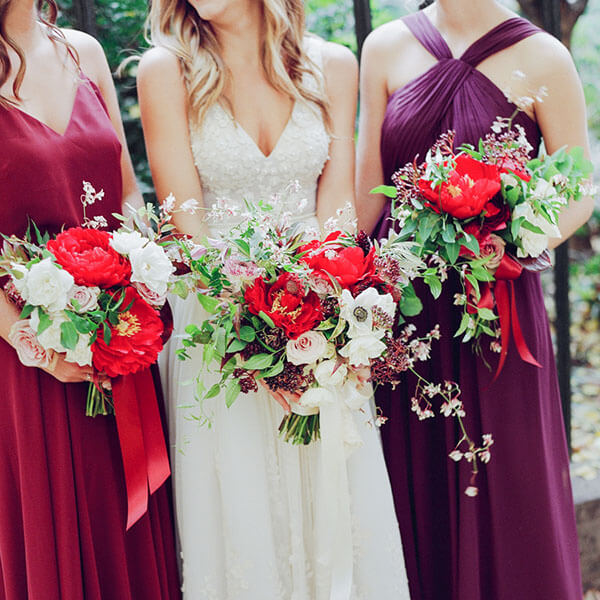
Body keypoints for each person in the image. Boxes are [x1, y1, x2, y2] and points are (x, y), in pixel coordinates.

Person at [137, 0, 410, 597]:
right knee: (240, 513)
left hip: (319, 318)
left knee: (336, 503)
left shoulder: (332, 65)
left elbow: (337, 215)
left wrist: (328, 328)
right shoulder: (167, 69)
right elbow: (186, 226)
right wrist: (262, 333)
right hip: (218, 330)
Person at [356, 0, 593, 598]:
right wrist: (321, 283)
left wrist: (507, 244)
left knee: (508, 481)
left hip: (496, 304)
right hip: (403, 313)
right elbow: (366, 200)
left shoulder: (545, 54)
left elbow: (577, 190)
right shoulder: (383, 47)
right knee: (414, 479)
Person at [0, 0, 181, 597]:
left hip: (114, 339)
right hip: (24, 366)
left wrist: (138, 283)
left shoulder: (85, 51)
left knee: (120, 524)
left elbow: (126, 190)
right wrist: (38, 343)